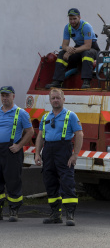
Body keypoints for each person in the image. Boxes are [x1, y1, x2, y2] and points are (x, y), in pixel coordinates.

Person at [34, 88, 83, 226]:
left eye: (58, 98)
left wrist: (75, 155)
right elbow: (40, 136)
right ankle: (55, 214)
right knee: (50, 183)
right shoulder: (45, 117)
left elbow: (79, 134)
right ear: (50, 100)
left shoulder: (71, 115)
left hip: (64, 150)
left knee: (67, 183)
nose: (55, 100)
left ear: (63, 99)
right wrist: (37, 153)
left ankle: (70, 215)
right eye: (53, 98)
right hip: (48, 151)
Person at [0, 86, 34, 222]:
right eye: (2, 95)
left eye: (7, 95)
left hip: (11, 151)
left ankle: (14, 210)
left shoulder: (21, 113)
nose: (4, 98)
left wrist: (19, 145)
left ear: (13, 96)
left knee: (13, 181)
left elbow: (30, 131)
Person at [45, 8, 100, 89]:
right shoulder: (67, 28)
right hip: (78, 48)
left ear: (79, 17)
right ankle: (57, 82)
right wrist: (67, 50)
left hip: (92, 49)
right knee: (61, 54)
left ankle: (86, 82)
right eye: (70, 19)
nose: (72, 21)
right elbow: (64, 45)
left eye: (74, 18)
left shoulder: (86, 26)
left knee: (87, 53)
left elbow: (87, 46)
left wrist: (70, 52)